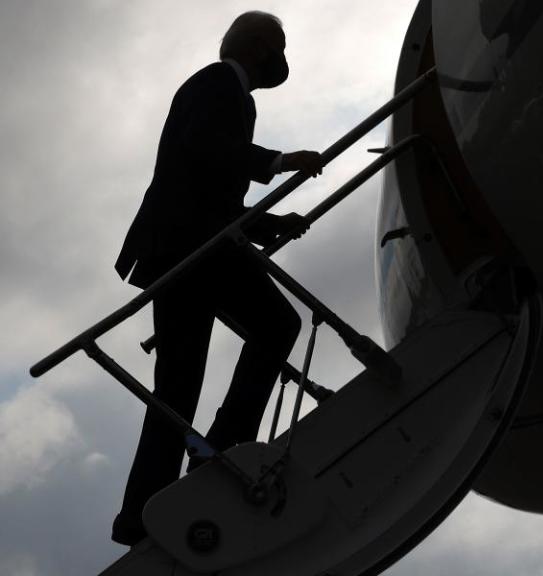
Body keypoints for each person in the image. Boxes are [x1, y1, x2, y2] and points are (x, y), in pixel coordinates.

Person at [111, 11, 325, 545]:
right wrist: (278, 161)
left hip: (186, 246)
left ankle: (140, 514)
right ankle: (228, 443)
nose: (280, 59)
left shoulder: (222, 92)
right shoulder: (219, 86)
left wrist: (271, 223)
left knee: (177, 387)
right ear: (256, 47)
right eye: (277, 46)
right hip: (194, 248)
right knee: (276, 325)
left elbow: (212, 188)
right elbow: (206, 152)